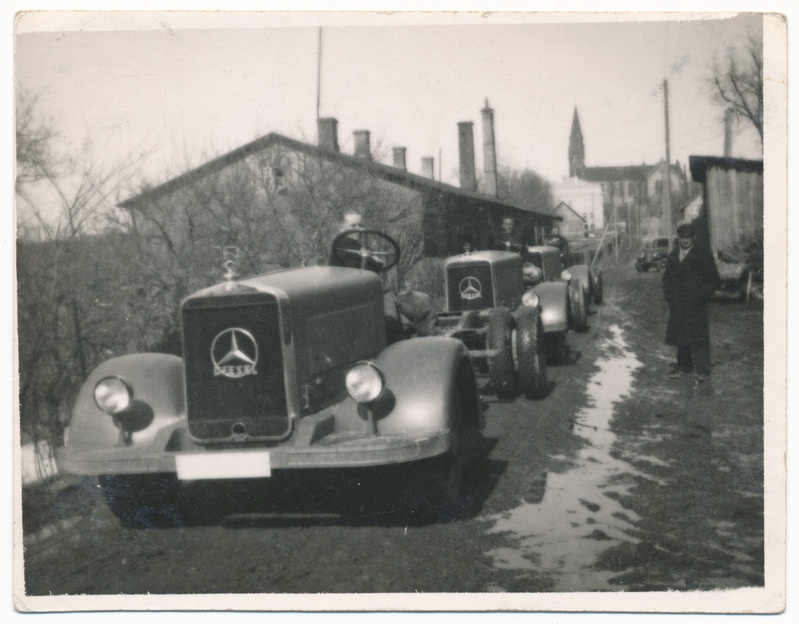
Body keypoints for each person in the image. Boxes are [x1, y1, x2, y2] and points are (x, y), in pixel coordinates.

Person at [662, 221, 721, 382]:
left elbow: (714, 280)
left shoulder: (702, 254)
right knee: (681, 336)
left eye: (688, 237)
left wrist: (702, 296)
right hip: (678, 304)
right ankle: (684, 367)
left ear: (693, 238)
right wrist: (669, 296)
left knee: (698, 338)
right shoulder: (674, 255)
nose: (685, 240)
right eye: (682, 237)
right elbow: (666, 278)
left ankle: (703, 371)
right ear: (678, 237)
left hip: (696, 304)